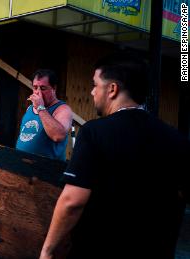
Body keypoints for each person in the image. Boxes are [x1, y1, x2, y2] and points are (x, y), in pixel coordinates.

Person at [39, 54, 190, 259]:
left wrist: (47, 250)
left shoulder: (95, 132)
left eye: (95, 85)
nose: (92, 92)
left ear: (112, 89)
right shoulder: (176, 138)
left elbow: (72, 202)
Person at [16, 69, 73, 161]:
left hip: (47, 169)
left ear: (54, 88)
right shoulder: (30, 108)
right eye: (35, 88)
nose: (38, 92)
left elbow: (58, 135)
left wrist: (40, 107)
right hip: (22, 163)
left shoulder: (63, 109)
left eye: (43, 88)